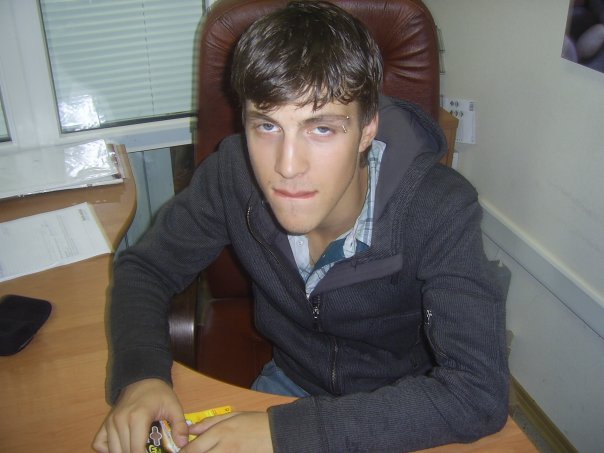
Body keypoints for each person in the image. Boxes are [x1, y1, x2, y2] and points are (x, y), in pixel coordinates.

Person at [93, 1, 509, 452]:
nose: (287, 167)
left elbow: (478, 394)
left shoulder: (439, 208)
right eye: (267, 126)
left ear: (367, 128)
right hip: (291, 382)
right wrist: (141, 375)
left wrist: (285, 434)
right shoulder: (231, 175)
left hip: (400, 407)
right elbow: (147, 268)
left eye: (321, 129)